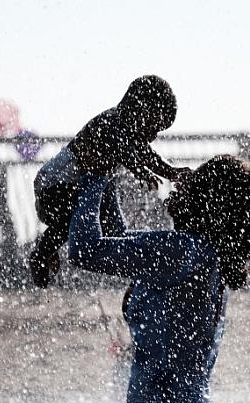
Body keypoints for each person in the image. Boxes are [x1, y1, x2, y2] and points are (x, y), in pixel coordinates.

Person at [16, 155, 250, 403]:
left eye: (196, 176)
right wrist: (108, 179)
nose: (183, 179)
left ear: (209, 197)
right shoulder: (197, 255)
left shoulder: (181, 251)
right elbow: (114, 239)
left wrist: (94, 173)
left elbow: (86, 250)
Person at [28, 75, 191, 288]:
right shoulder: (112, 121)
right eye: (153, 126)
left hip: (92, 182)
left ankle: (148, 269)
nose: (153, 136)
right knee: (69, 221)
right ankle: (41, 252)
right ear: (139, 111)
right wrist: (140, 171)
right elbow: (123, 151)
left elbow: (147, 154)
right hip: (56, 186)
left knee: (114, 234)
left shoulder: (129, 127)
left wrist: (171, 172)